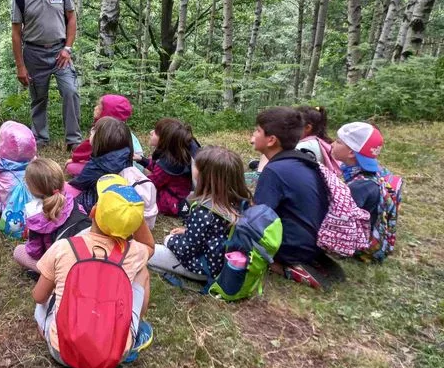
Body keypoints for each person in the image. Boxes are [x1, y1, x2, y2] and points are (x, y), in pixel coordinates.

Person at [32, 175, 155, 368]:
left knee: (48, 289)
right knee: (142, 271)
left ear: (93, 211)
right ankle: (135, 330)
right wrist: (132, 217)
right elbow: (150, 246)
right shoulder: (135, 252)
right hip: (114, 355)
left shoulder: (65, 246)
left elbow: (38, 297)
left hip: (61, 352)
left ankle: (46, 331)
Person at [251, 107, 340, 289]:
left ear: (271, 140)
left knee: (237, 230)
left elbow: (256, 218)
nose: (253, 134)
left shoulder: (274, 171)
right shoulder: (301, 160)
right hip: (313, 242)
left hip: (294, 248)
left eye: (257, 130)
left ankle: (282, 267)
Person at [11, 0, 81, 149]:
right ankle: (40, 140)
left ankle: (74, 140)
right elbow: (16, 34)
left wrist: (67, 48)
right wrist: (20, 66)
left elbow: (72, 17)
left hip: (61, 52)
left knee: (70, 91)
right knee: (38, 99)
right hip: (34, 53)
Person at [149, 146, 251, 280]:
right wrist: (187, 231)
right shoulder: (239, 202)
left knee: (148, 252)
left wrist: (170, 241)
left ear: (204, 177)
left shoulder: (205, 213)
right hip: (223, 261)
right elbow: (215, 233)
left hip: (205, 268)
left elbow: (185, 250)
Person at [13, 158, 91, 274]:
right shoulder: (70, 200)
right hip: (89, 254)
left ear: (31, 188)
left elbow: (35, 252)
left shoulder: (36, 217)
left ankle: (49, 277)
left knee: (18, 251)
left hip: (64, 268)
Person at [65, 117, 134, 212]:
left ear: (101, 140)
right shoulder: (125, 155)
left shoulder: (96, 166)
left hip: (94, 205)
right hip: (118, 199)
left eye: (94, 131)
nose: (91, 131)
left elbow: (78, 184)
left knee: (60, 187)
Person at [66, 94, 145, 176]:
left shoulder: (105, 131)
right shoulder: (123, 130)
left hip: (121, 171)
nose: (95, 108)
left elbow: (87, 149)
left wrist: (74, 159)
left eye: (99, 107)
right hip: (136, 169)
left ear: (107, 112)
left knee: (71, 167)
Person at [137, 118, 201, 217]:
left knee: (141, 179)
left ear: (164, 140)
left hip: (170, 202)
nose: (151, 132)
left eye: (156, 133)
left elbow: (150, 184)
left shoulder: (167, 164)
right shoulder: (176, 155)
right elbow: (156, 165)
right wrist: (141, 159)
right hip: (182, 191)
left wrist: (133, 181)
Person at [331, 122, 384, 228]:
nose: (332, 144)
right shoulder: (376, 173)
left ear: (351, 153)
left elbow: (341, 220)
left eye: (338, 142)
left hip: (357, 240)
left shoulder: (358, 187)